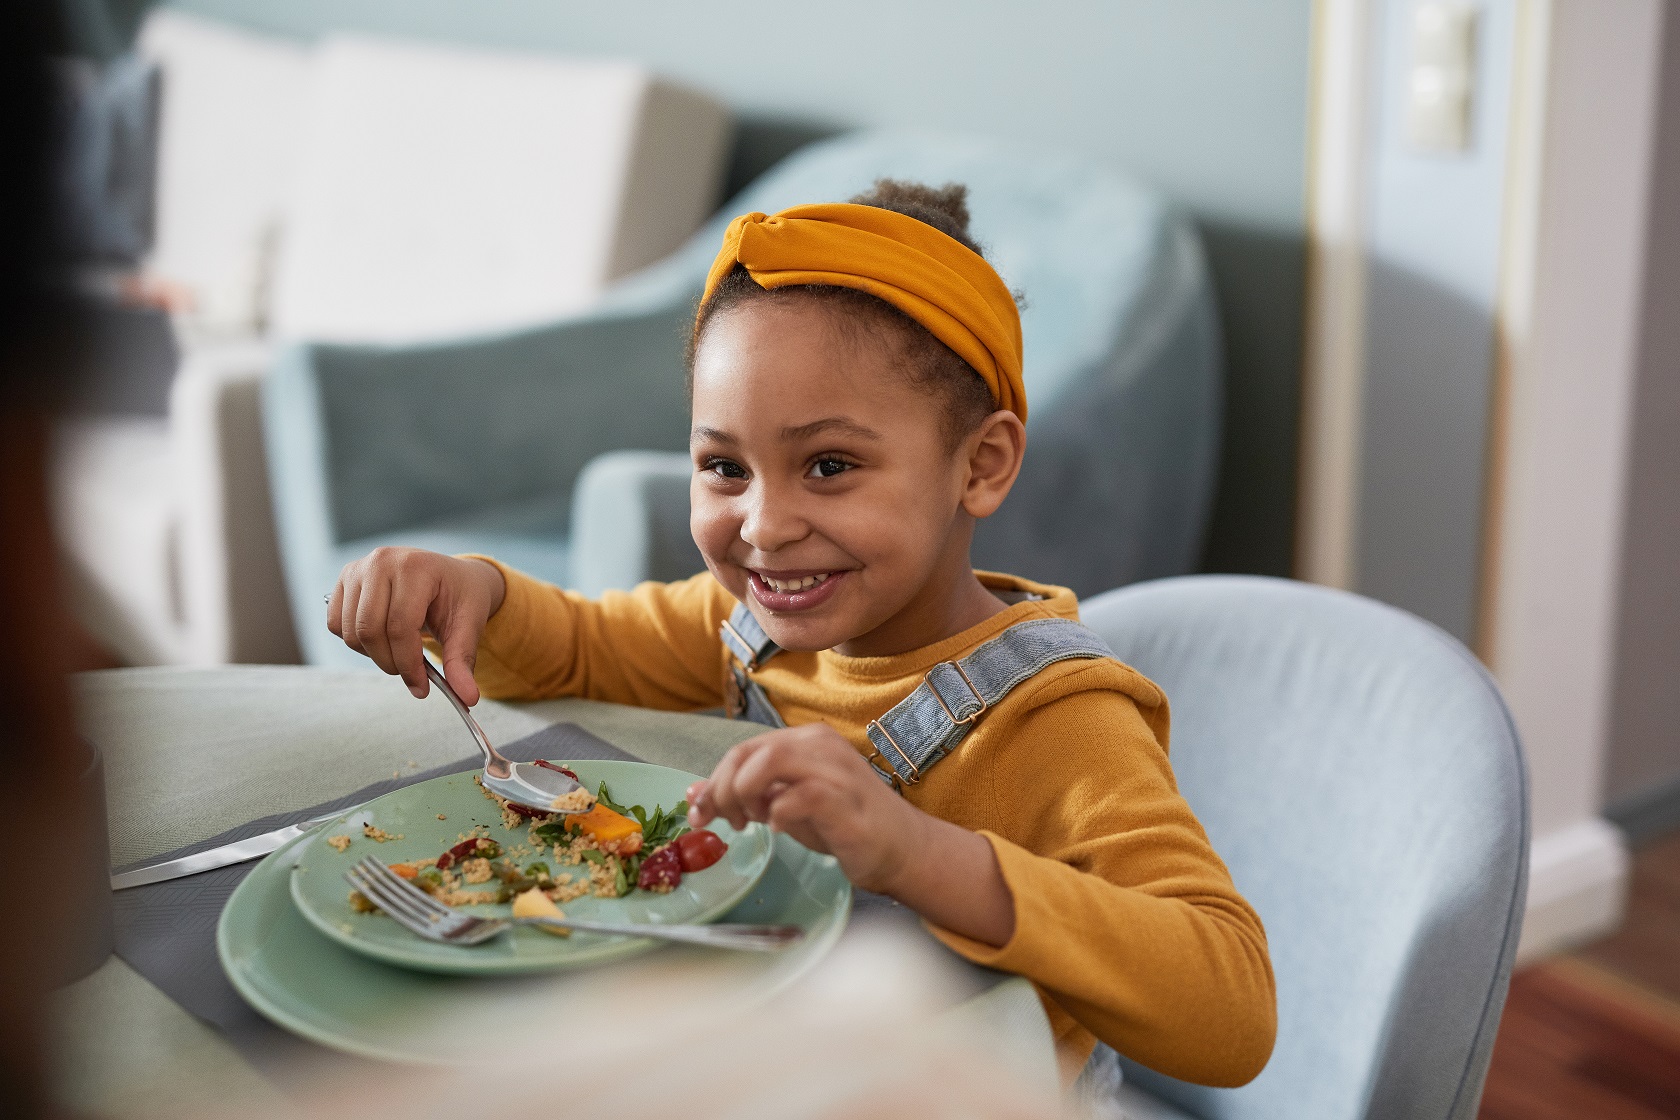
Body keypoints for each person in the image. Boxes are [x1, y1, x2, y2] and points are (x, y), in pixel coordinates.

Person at [329, 180, 1276, 1087]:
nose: (764, 525)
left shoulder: (1058, 721)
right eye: (724, 466)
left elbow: (1232, 1007)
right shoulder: (750, 628)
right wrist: (475, 591)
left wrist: (914, 853)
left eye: (828, 465)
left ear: (980, 465)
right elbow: (576, 648)